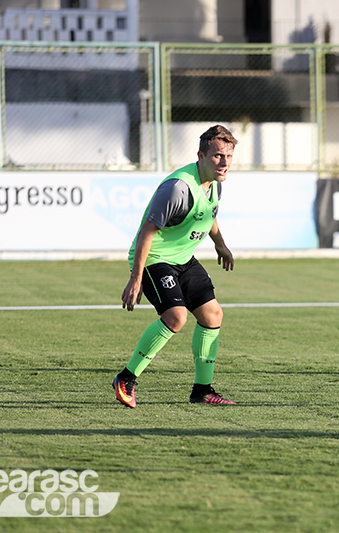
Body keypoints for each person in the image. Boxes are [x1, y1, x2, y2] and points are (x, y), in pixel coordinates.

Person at [113, 125, 238, 408]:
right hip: (154, 258)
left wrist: (220, 243)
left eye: (229, 156)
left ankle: (202, 391)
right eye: (218, 156)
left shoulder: (215, 182)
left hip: (183, 259)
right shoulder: (178, 188)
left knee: (212, 314)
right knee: (176, 317)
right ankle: (126, 378)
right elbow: (146, 233)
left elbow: (208, 215)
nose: (224, 162)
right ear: (201, 156)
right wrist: (136, 278)